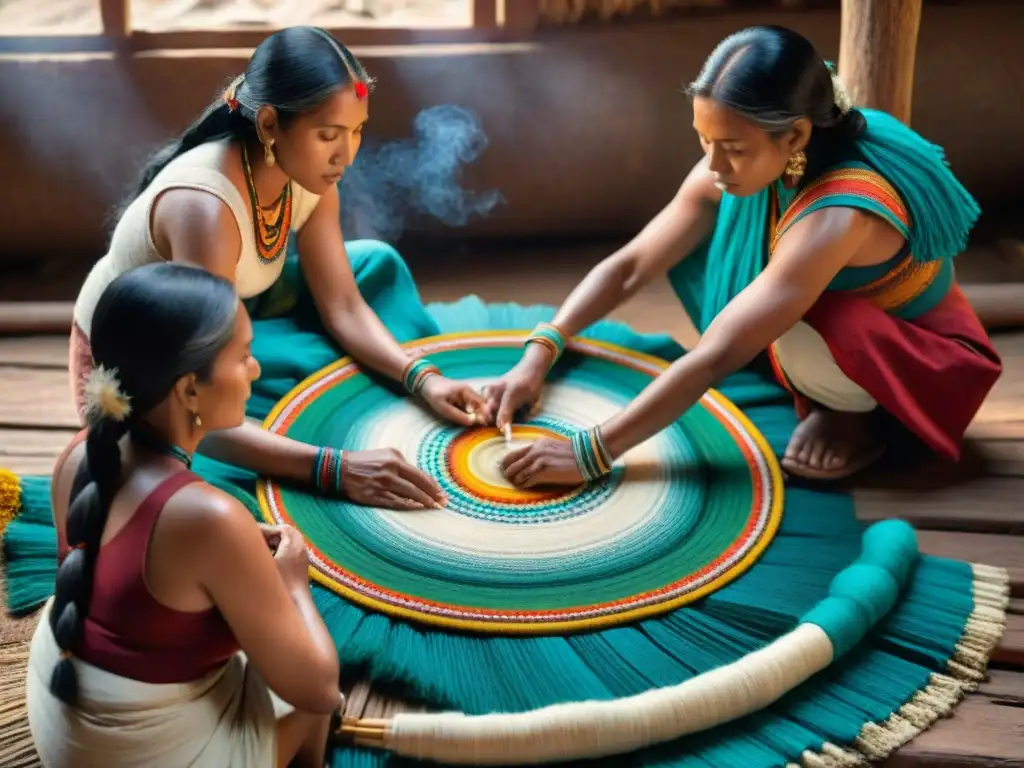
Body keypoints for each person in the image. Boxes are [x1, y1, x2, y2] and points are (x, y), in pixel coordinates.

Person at [485, 25, 1002, 484]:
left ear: (796, 134)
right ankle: (822, 389)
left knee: (814, 318)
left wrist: (592, 451)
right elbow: (632, 266)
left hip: (908, 359)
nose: (713, 165)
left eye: (732, 148)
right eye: (704, 140)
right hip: (822, 323)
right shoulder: (768, 156)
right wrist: (539, 353)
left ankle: (852, 419)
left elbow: (718, 352)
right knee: (705, 237)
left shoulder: (839, 213)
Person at [70, 25, 482, 511]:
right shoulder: (205, 210)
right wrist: (334, 469)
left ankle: (308, 391)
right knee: (210, 449)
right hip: (150, 368)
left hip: (233, 318)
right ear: (268, 125)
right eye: (328, 135)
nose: (346, 154)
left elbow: (344, 305)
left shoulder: (309, 171)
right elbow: (197, 393)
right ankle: (300, 419)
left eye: (356, 132)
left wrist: (423, 379)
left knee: (377, 266)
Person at [27, 263, 342, 767]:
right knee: (318, 706)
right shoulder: (209, 518)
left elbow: (136, 569)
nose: (256, 370)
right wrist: (292, 582)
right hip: (130, 753)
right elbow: (319, 688)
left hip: (58, 704)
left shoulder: (81, 453)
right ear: (190, 390)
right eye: (243, 358)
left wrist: (229, 555)